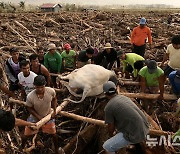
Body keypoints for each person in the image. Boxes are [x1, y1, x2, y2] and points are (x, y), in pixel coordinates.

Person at [102, 81, 149, 154]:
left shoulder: (108, 107)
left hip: (136, 134)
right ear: (116, 90)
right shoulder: (124, 97)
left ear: (105, 93)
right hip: (145, 127)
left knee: (107, 147)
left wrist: (111, 136)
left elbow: (110, 127)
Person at [24, 75, 58, 153]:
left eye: (42, 87)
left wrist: (55, 111)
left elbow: (54, 99)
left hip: (48, 115)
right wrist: (38, 117)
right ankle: (22, 148)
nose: (40, 89)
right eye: (37, 87)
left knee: (54, 134)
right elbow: (29, 108)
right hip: (35, 117)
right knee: (26, 135)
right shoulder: (30, 96)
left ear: (45, 85)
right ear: (34, 86)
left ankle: (56, 149)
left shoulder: (51, 91)